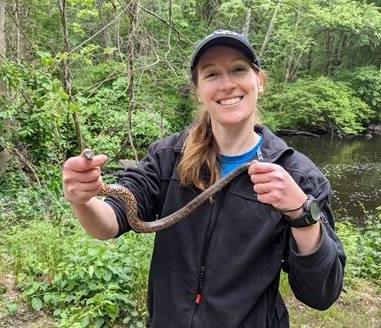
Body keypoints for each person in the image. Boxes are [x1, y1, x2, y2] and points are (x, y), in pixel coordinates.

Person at [62, 30, 345, 328]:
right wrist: (83, 199)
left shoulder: (297, 176)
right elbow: (107, 224)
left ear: (259, 81)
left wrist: (301, 212)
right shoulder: (168, 156)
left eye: (238, 69)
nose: (227, 84)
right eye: (211, 74)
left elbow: (321, 294)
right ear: (198, 89)